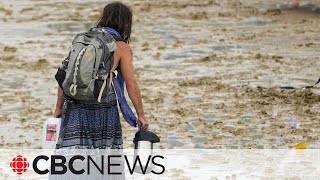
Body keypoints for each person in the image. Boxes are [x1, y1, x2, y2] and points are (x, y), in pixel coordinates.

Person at [53, 1, 149, 149]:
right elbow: (131, 84)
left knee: (73, 153)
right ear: (125, 23)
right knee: (104, 154)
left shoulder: (83, 40)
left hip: (75, 102)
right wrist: (140, 115)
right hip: (103, 102)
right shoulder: (122, 47)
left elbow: (66, 75)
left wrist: (58, 108)